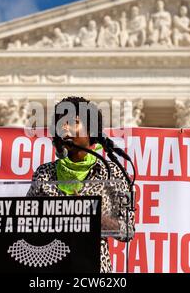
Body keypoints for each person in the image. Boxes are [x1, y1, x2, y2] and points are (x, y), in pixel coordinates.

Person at [27, 96, 135, 273]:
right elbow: (26, 223)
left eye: (73, 122)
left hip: (94, 272)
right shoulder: (44, 173)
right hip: (50, 270)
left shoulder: (111, 172)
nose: (65, 128)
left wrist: (92, 214)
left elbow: (127, 231)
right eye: (61, 123)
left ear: (91, 131)